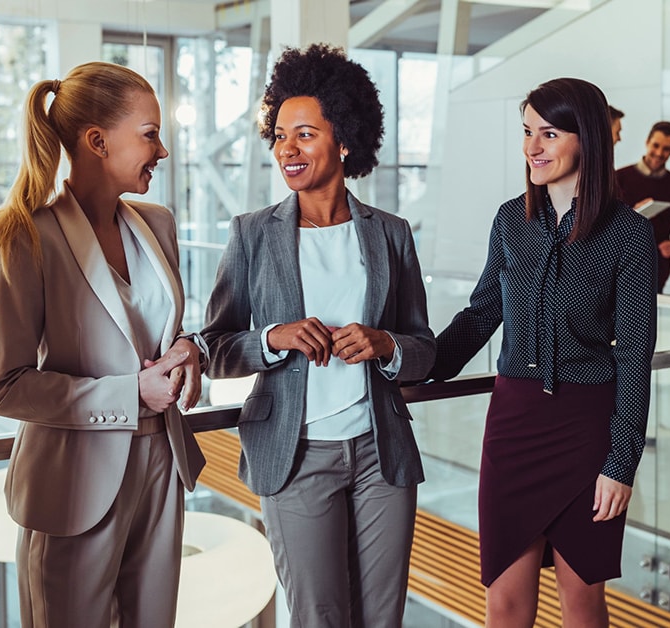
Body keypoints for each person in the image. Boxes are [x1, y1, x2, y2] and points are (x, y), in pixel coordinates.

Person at [198, 43, 435, 627]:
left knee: (382, 619)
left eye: (304, 134)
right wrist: (273, 338)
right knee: (319, 618)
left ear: (344, 139)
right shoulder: (253, 234)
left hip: (382, 456)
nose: (288, 149)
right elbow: (215, 350)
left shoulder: (391, 234)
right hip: (294, 455)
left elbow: (423, 348)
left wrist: (386, 346)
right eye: (279, 135)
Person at [0, 61, 207, 628]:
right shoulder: (26, 238)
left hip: (160, 466)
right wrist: (130, 394)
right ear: (97, 141)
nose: (163, 150)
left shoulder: (159, 224)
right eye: (150, 134)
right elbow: (4, 388)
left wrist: (187, 352)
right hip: (72, 486)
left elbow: (158, 329)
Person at [429, 77, 657, 627]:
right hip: (513, 426)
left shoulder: (629, 235)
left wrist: (621, 462)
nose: (532, 147)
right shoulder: (512, 220)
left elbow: (634, 356)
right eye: (527, 132)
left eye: (549, 134)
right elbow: (482, 313)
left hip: (587, 430)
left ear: (588, 140)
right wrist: (412, 365)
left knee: (583, 605)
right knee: (504, 605)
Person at [616, 121, 670, 293]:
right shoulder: (619, 178)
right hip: (621, 265)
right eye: (656, 145)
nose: (659, 153)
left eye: (666, 149)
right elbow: (603, 225)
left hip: (657, 269)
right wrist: (632, 212)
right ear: (647, 142)